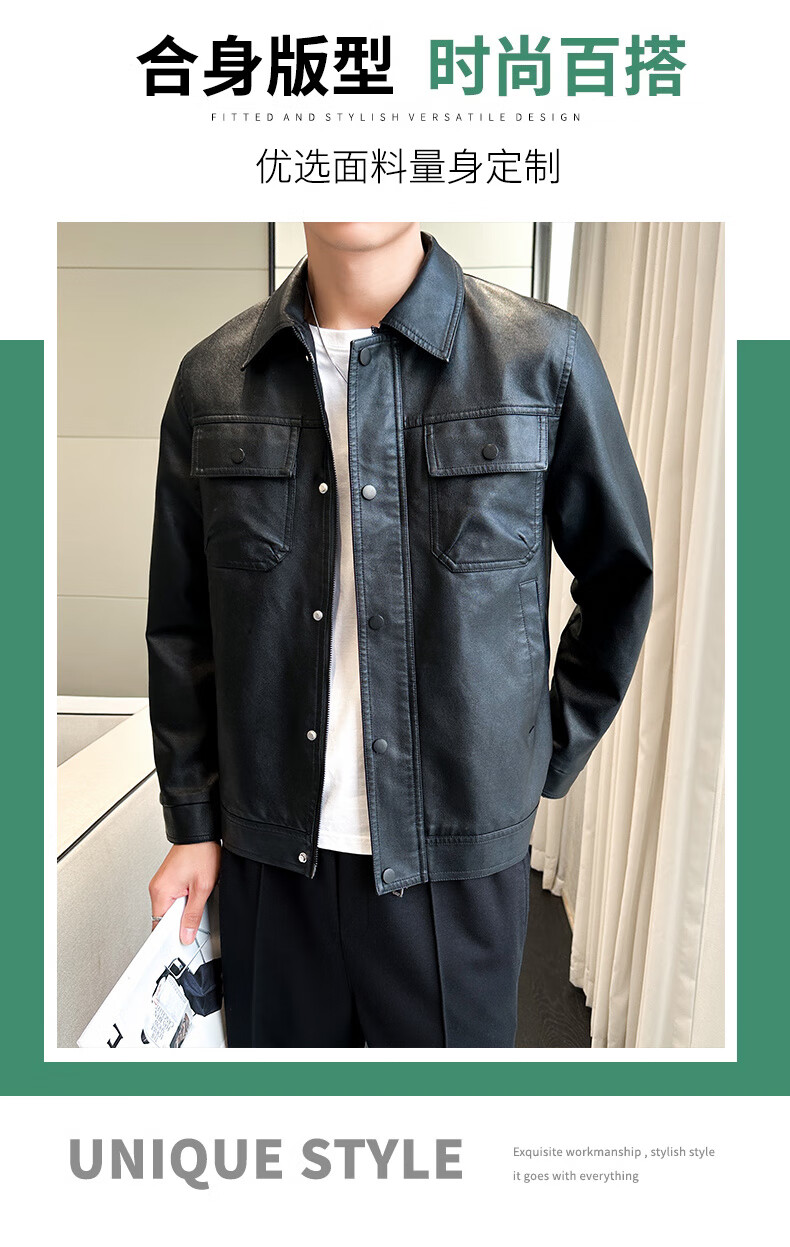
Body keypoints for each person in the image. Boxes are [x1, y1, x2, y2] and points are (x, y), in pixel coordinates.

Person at [146, 222, 653, 1048]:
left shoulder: (540, 357)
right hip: (270, 858)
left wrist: (539, 755)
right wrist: (192, 822)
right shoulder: (212, 379)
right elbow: (181, 625)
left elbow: (619, 575)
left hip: (455, 865)